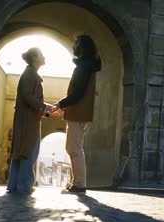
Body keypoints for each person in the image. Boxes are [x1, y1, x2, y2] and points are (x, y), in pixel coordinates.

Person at [50, 35, 101, 193]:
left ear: (83, 46)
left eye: (76, 43)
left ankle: (80, 184)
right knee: (72, 147)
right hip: (77, 111)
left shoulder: (83, 66)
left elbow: (78, 93)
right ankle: (76, 181)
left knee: (75, 148)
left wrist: (60, 104)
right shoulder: (85, 65)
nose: (73, 46)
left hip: (78, 112)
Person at [7, 47, 51, 194]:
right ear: (34, 58)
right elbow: (27, 96)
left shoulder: (30, 74)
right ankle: (24, 186)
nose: (44, 56)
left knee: (21, 152)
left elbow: (29, 97)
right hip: (28, 120)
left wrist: (45, 108)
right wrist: (44, 107)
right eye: (41, 54)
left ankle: (14, 185)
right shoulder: (30, 75)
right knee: (28, 152)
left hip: (27, 118)